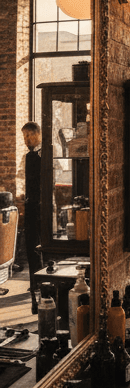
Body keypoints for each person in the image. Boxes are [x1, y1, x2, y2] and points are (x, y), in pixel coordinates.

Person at [21, 122, 41, 293]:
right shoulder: (29, 157)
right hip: (30, 205)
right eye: (25, 137)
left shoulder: (43, 155)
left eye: (29, 136)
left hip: (41, 206)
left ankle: (40, 281)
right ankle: (34, 282)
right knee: (30, 244)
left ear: (38, 135)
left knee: (39, 245)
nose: (27, 140)